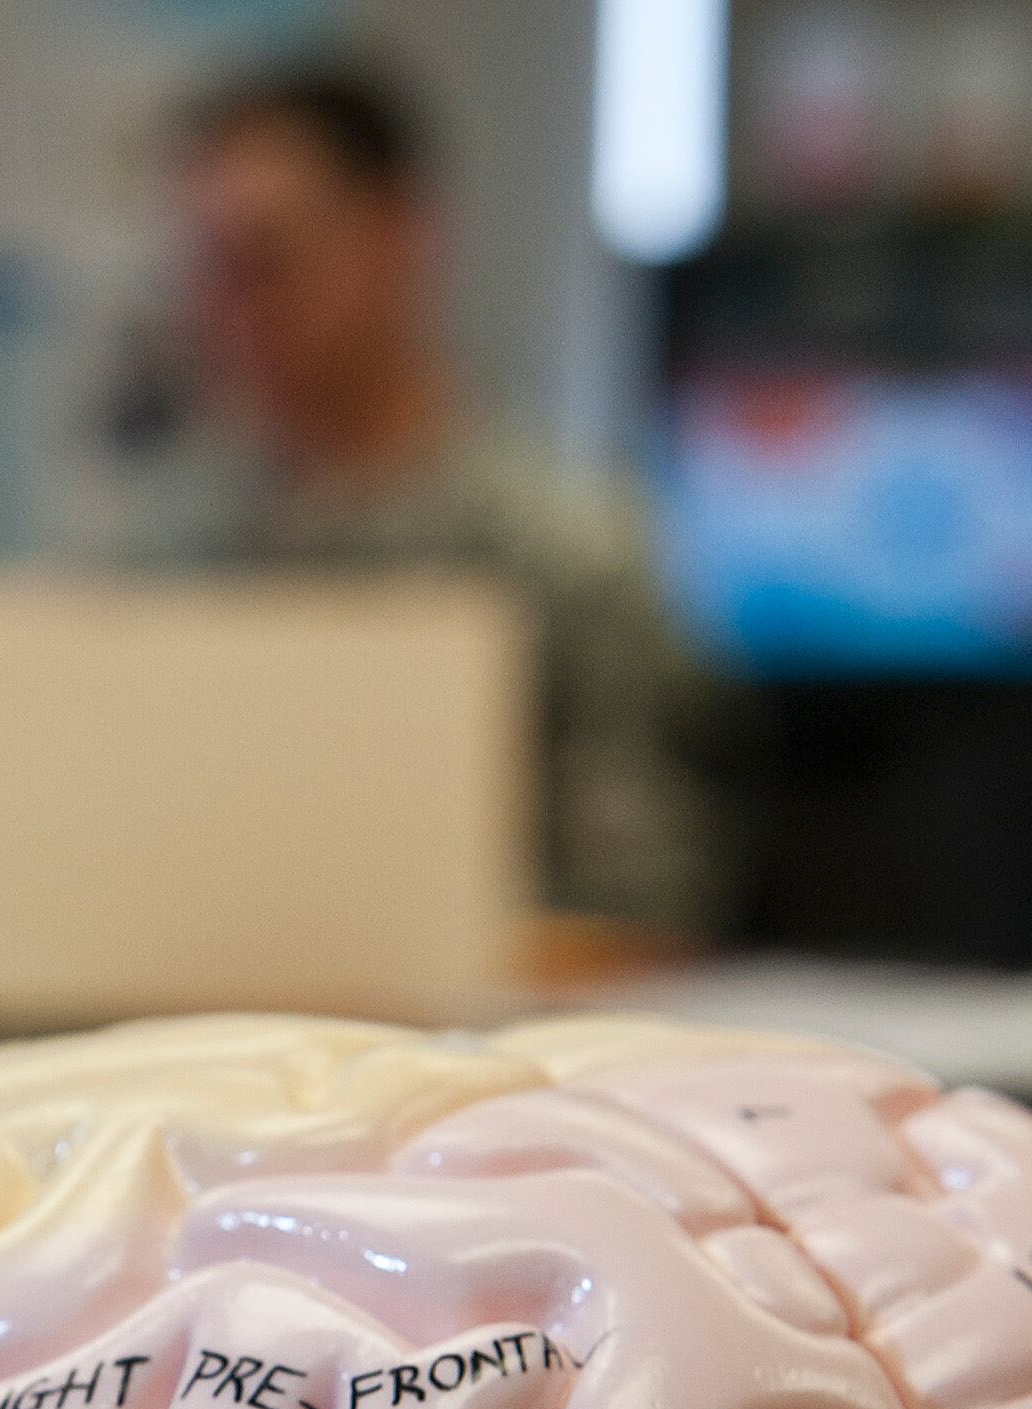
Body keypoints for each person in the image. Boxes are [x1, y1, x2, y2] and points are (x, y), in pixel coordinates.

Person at [141, 54, 719, 937]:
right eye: (206, 267)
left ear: (399, 235)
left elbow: (640, 906)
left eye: (266, 259)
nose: (230, 306)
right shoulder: (183, 557)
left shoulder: (559, 552)